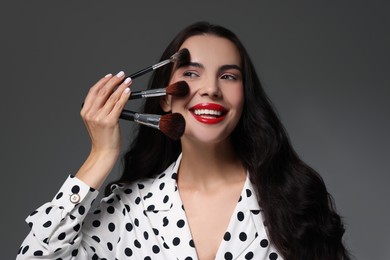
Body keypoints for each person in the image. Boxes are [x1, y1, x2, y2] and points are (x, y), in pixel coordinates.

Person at [16, 21, 351, 260]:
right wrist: (102, 154)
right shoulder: (131, 209)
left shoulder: (292, 198)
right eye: (191, 73)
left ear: (244, 97)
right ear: (165, 98)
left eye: (228, 76)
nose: (210, 88)